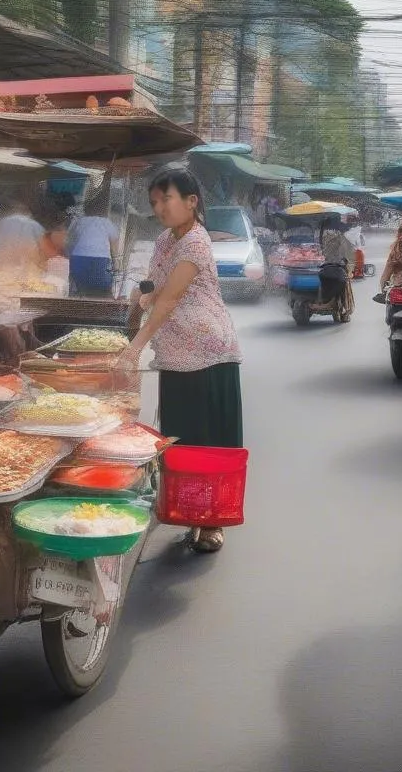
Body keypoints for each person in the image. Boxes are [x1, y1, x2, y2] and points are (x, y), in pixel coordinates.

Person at [117, 167, 243, 554]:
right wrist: (134, 302)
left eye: (166, 199)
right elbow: (154, 285)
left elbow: (169, 299)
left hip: (209, 354)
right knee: (180, 441)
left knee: (210, 445)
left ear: (191, 202)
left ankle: (212, 523)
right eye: (154, 201)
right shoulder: (165, 240)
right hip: (175, 355)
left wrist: (135, 346)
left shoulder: (196, 243)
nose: (159, 208)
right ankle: (189, 510)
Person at [67, 194, 120, 297]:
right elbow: (114, 245)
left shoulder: (79, 222)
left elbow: (70, 241)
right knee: (102, 289)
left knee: (80, 286)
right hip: (100, 260)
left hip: (78, 259)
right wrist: (116, 264)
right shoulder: (106, 222)